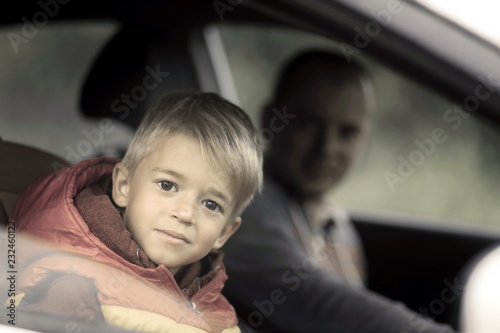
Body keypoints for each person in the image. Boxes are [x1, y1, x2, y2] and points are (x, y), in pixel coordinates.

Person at [222, 50, 455, 333]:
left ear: (365, 138)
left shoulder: (336, 224)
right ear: (270, 120)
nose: (327, 148)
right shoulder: (241, 206)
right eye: (308, 123)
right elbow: (314, 302)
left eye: (347, 132)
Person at [10, 90, 263, 333]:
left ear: (225, 232)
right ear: (124, 187)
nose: (185, 214)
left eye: (210, 205)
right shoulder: (69, 287)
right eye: (167, 185)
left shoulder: (218, 312)